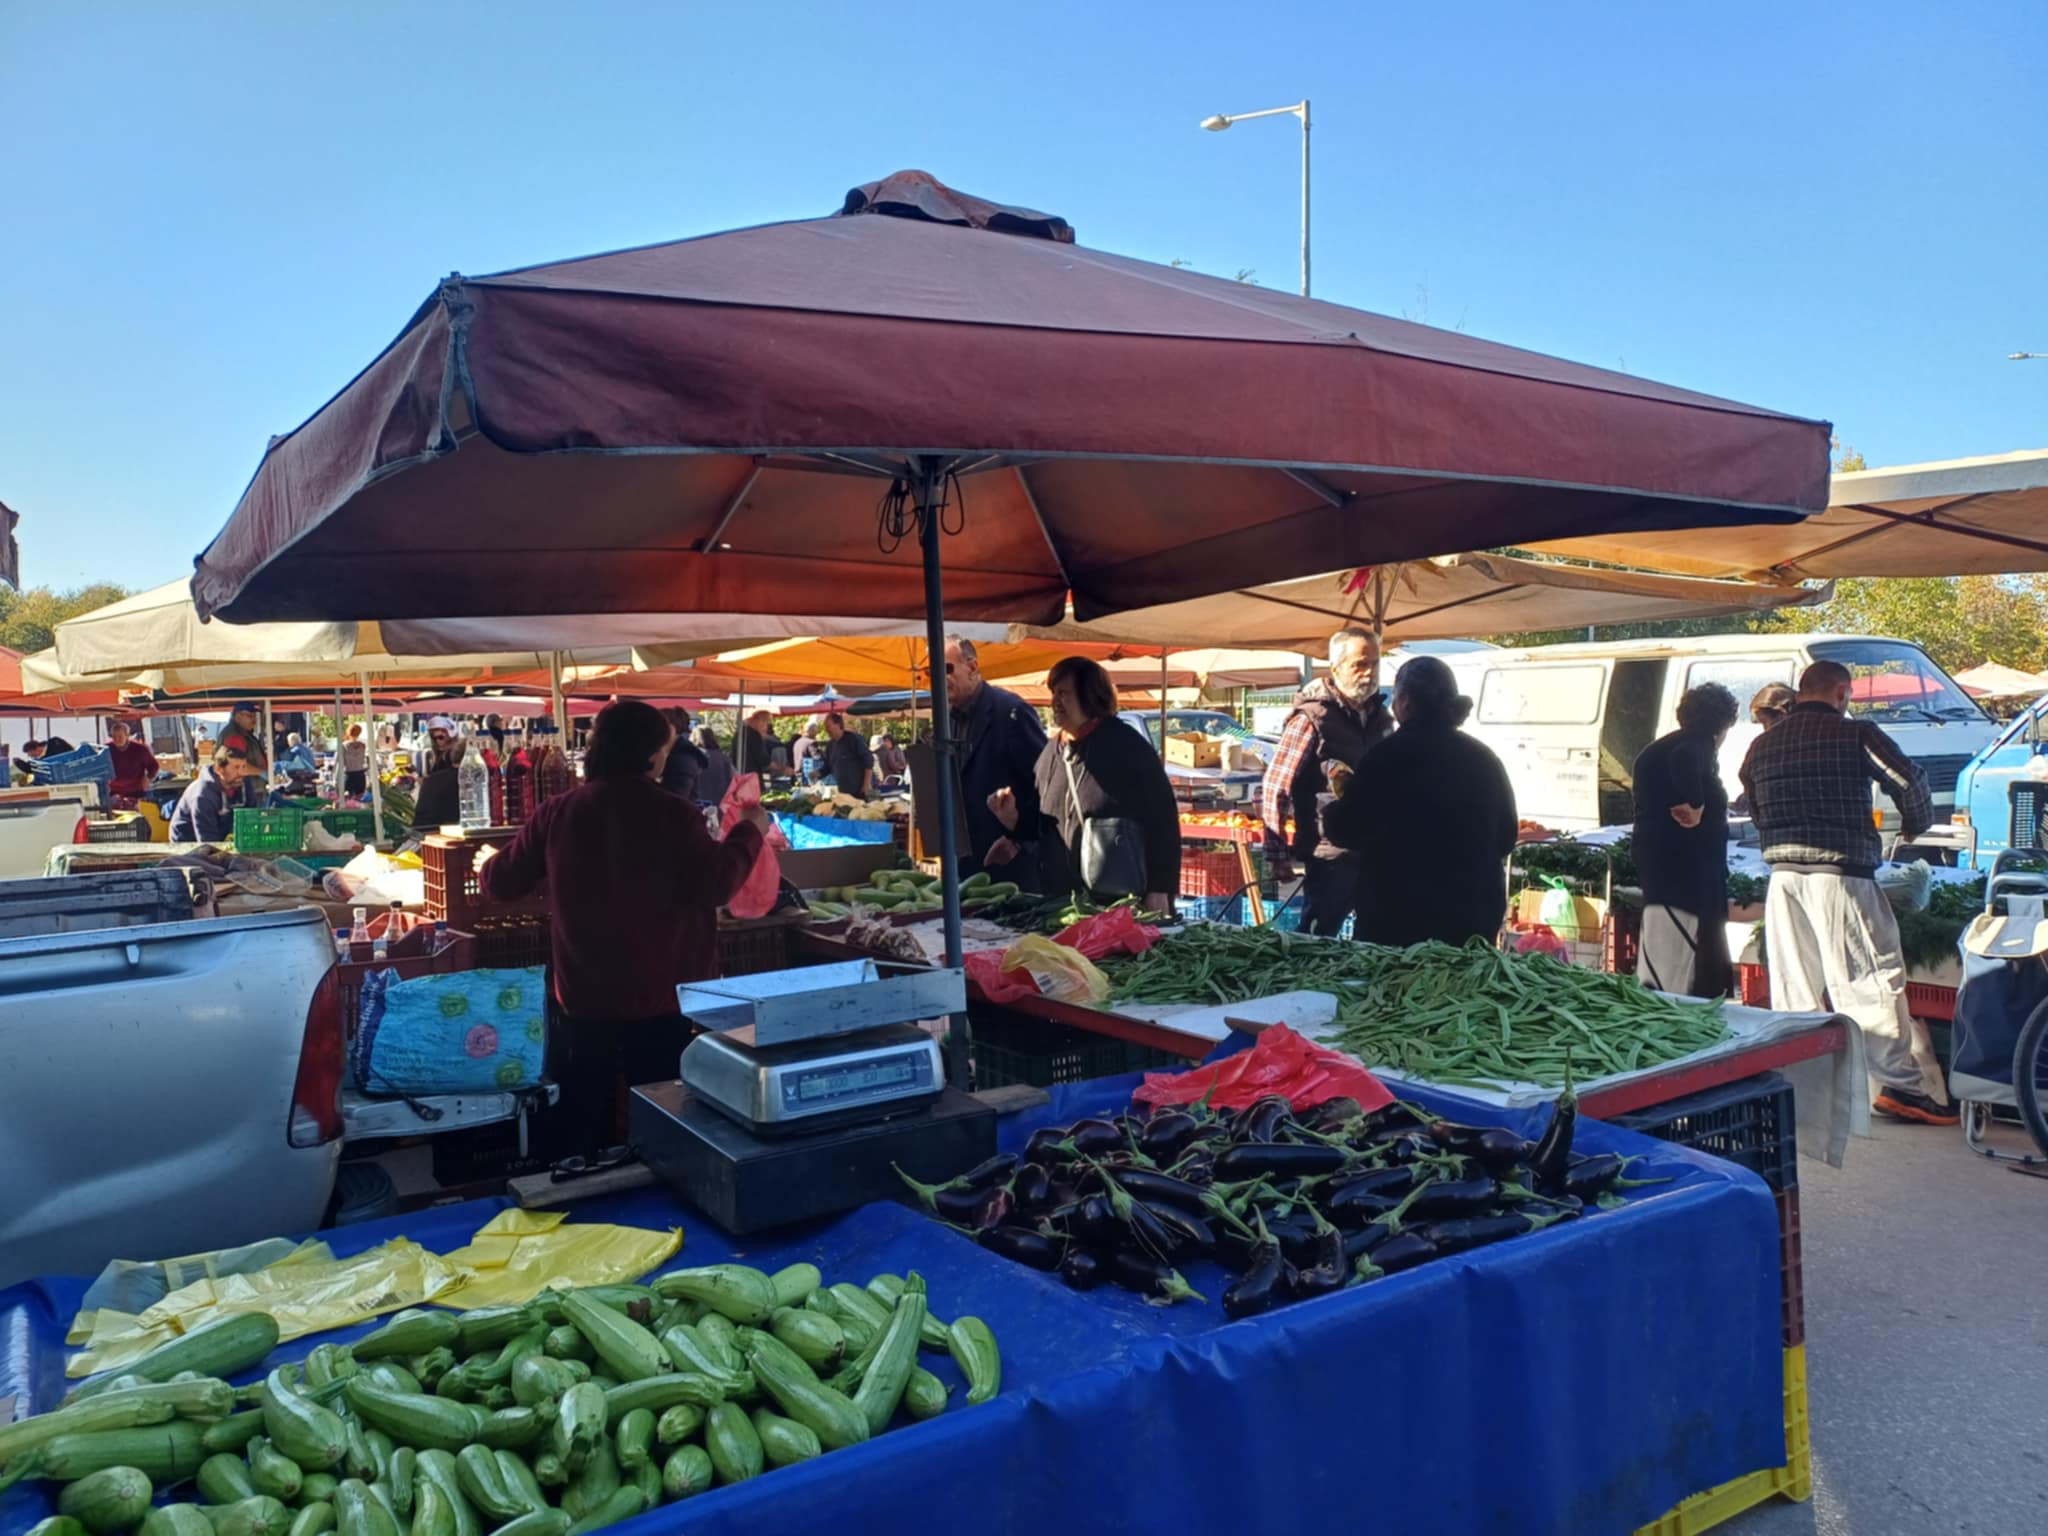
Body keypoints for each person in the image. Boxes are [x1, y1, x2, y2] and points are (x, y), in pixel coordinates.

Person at [477, 699, 769, 1157]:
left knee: (581, 1114)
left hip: (584, 995)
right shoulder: (674, 814)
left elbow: (500, 881)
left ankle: (576, 1196)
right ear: (651, 755)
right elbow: (716, 883)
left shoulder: (559, 811)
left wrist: (492, 861)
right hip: (661, 996)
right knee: (659, 1112)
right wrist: (749, 832)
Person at [1741, 660, 1954, 1125]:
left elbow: (1751, 799)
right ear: (1841, 692)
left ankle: (1801, 1086)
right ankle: (1901, 1088)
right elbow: (1908, 779)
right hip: (1842, 873)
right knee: (1870, 980)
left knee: (1795, 987)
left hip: (1783, 877)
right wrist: (1916, 825)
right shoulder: (1856, 734)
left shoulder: (1762, 744)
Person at [1320, 656, 1516, 946]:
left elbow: (1348, 829)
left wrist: (1332, 808)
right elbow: (1506, 836)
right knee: (1462, 991)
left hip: (1399, 917)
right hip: (1473, 916)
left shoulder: (1385, 757)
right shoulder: (1483, 758)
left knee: (1396, 989)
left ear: (1407, 702)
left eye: (1395, 697)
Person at [991, 657, 1178, 909]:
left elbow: (1163, 820)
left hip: (1121, 903)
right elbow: (1041, 825)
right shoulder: (1050, 753)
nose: (1054, 702)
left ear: (1089, 695)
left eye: (1064, 693)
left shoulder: (1126, 747)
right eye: (1053, 693)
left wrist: (1160, 889)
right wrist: (1013, 821)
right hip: (1062, 902)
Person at [1261, 628, 1396, 936]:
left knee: (1375, 937)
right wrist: (1277, 853)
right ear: (1336, 668)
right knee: (1318, 937)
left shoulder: (1382, 716)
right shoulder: (1312, 718)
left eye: (1375, 664)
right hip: (1330, 852)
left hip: (1374, 849)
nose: (1369, 673)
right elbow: (1275, 785)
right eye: (1360, 664)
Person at [1632, 684, 1740, 998]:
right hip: (1687, 864)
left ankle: (1662, 994)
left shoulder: (1659, 747)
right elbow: (1686, 762)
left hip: (1657, 855)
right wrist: (1697, 803)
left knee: (1665, 938)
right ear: (1722, 722)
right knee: (1691, 941)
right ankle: (1692, 1001)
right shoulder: (1697, 743)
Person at [946, 636, 1049, 887]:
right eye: (931, 672)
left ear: (972, 668)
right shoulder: (948, 720)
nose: (938, 678)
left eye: (946, 668)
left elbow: (1045, 784)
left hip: (1010, 866)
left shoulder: (1011, 712)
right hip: (966, 863)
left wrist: (1019, 840)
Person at [168, 747, 254, 842]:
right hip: (188, 843)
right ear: (219, 769)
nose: (242, 773)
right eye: (236, 767)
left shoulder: (244, 783)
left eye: (244, 766)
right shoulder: (203, 795)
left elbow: (252, 817)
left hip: (222, 837)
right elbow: (207, 840)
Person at [410, 715, 463, 830]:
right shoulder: (438, 760)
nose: (438, 742)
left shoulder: (451, 760)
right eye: (434, 738)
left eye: (440, 737)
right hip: (440, 821)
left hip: (446, 819)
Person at [215, 703, 270, 807]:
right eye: (250, 716)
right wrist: (262, 772)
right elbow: (236, 764)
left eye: (255, 716)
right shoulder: (235, 736)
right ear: (238, 716)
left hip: (250, 789)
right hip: (246, 791)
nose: (254, 720)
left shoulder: (244, 733)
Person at [659, 707, 709, 801]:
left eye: (660, 725)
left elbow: (676, 798)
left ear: (672, 728)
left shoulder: (683, 758)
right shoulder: (673, 752)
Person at [820, 713, 874, 798]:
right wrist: (817, 773)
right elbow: (827, 767)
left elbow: (868, 761)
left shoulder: (854, 739)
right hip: (843, 792)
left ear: (838, 725)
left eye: (828, 726)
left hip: (860, 790)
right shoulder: (830, 746)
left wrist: (866, 785)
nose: (826, 730)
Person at [105, 720, 160, 802]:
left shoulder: (140, 749)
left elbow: (153, 766)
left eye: (120, 736)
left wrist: (148, 778)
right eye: (114, 737)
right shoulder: (106, 749)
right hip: (114, 791)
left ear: (127, 735)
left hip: (136, 790)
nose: (117, 739)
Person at [694, 727, 735, 806]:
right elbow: (734, 781)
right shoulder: (724, 759)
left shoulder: (692, 758)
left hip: (696, 806)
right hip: (720, 807)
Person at [736, 710, 775, 779]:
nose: (766, 727)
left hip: (740, 774)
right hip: (750, 777)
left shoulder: (741, 733)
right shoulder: (754, 736)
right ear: (759, 721)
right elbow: (764, 760)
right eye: (766, 723)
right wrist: (782, 768)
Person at [339, 724, 371, 798]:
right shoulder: (363, 745)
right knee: (360, 796)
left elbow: (342, 761)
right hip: (360, 773)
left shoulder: (344, 746)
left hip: (349, 773)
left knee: (349, 797)